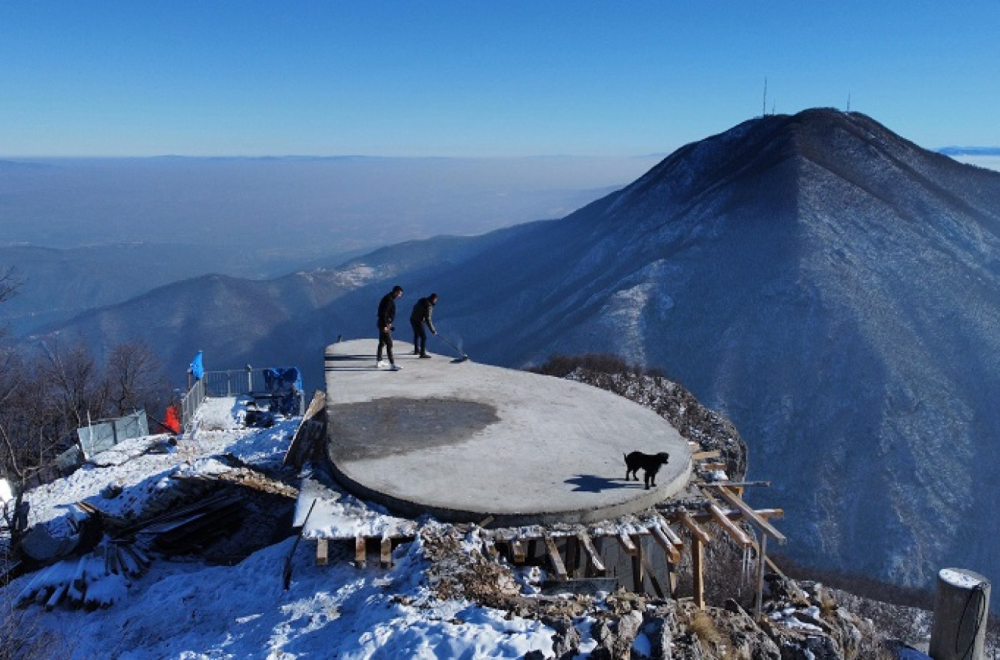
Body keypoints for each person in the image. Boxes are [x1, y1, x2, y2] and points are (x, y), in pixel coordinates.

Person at [376, 285, 404, 370]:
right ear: (396, 292)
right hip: (384, 324)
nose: (400, 296)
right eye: (399, 293)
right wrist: (385, 325)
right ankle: (392, 364)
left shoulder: (388, 298)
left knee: (382, 342)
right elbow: (383, 313)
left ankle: (379, 361)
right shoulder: (388, 300)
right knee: (389, 343)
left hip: (383, 323)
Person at [410, 293, 439, 358]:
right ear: (434, 299)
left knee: (416, 334)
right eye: (435, 300)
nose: (435, 301)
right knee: (423, 337)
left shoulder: (422, 300)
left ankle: (416, 350)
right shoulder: (429, 306)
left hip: (412, 319)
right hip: (418, 321)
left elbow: (414, 307)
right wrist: (433, 330)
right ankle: (422, 353)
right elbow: (428, 319)